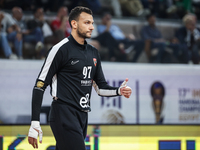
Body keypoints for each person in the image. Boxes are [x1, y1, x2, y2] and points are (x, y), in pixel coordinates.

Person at [28, 6, 132, 150]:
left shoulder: (93, 52)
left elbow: (100, 87)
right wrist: (35, 123)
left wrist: (118, 91)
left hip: (82, 115)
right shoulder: (60, 49)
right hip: (63, 113)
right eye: (87, 23)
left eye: (92, 23)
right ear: (74, 24)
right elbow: (39, 86)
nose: (92, 27)